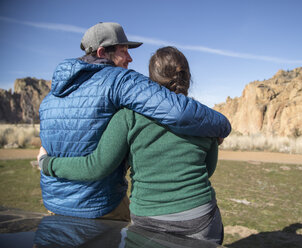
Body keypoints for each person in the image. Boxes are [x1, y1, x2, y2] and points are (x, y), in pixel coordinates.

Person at [39, 23, 231, 222]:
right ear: (102, 52)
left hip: (53, 202)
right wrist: (222, 125)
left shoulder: (51, 97)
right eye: (124, 51)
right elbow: (178, 112)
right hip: (99, 205)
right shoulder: (118, 80)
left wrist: (45, 164)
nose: (130, 58)